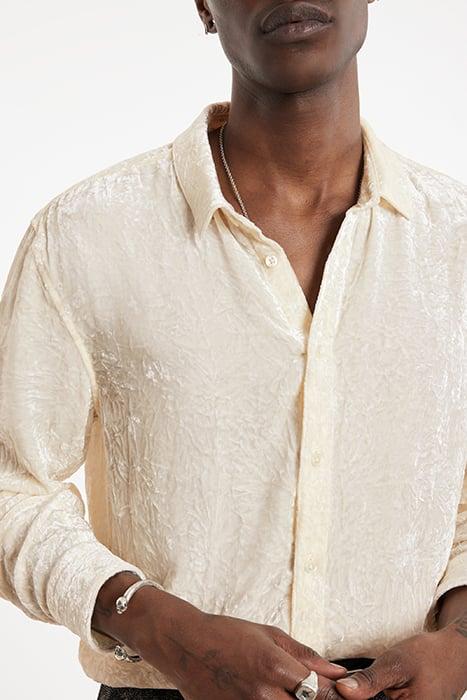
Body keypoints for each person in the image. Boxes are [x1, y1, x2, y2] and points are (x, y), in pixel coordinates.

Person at [0, 0, 466, 698]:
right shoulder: (86, 236)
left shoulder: (453, 241)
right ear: (203, 6)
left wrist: (460, 644)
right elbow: (11, 487)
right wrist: (164, 630)